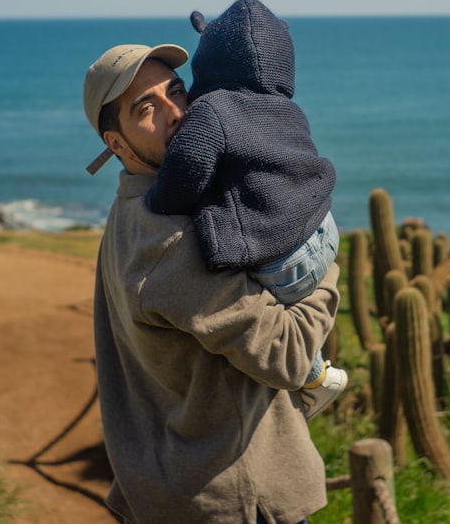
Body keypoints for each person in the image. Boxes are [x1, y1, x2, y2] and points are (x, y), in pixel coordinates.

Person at [83, 42, 341, 523]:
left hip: (175, 486)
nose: (177, 113)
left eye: (177, 93)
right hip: (237, 498)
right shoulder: (171, 241)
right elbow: (286, 355)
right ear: (116, 144)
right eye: (147, 109)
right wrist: (324, 265)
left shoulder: (130, 214)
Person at [144, 0, 347, 413]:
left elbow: (188, 166)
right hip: (323, 229)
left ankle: (315, 378)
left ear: (211, 59)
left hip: (284, 262)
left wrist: (158, 199)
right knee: (287, 311)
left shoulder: (213, 109)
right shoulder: (288, 110)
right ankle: (318, 372)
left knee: (268, 330)